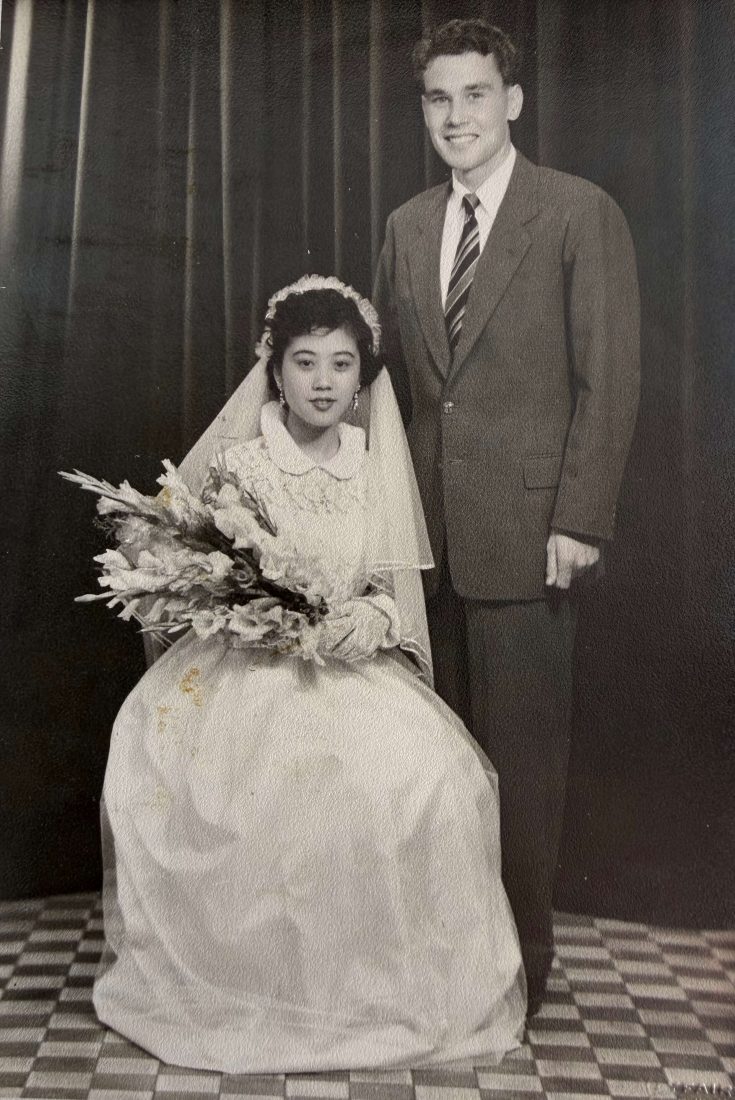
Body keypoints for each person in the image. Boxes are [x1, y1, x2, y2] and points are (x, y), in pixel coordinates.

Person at [92, 276, 526, 1073]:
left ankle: (364, 996)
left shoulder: (375, 462)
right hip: (252, 666)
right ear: (275, 369)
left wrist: (375, 620)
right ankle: (256, 991)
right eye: (304, 363)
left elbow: (395, 588)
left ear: (362, 376)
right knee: (248, 798)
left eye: (339, 364)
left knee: (423, 784)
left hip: (349, 666)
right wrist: (244, 607)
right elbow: (189, 558)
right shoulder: (245, 466)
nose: (323, 382)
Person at [373, 19, 640, 1017]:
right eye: (438, 99)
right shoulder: (406, 225)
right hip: (423, 539)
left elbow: (607, 380)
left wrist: (582, 520)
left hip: (531, 540)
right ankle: (442, 965)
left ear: (512, 102)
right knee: (430, 773)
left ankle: (522, 972)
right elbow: (398, 387)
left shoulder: (578, 212)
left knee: (522, 772)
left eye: (474, 94)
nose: (455, 116)